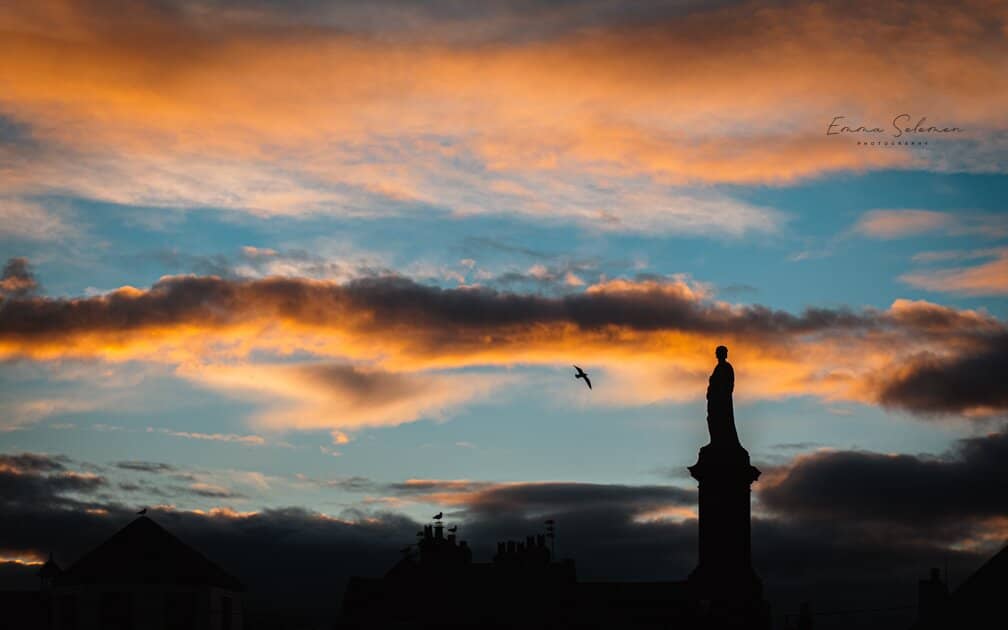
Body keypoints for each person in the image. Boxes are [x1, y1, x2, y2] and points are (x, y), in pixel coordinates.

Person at [706, 345, 740, 447]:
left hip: (722, 401)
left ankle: (721, 442)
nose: (718, 354)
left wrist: (721, 395)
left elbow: (729, 385)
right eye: (717, 352)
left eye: (720, 352)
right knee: (712, 419)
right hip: (714, 400)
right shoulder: (718, 368)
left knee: (722, 421)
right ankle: (715, 441)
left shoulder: (727, 367)